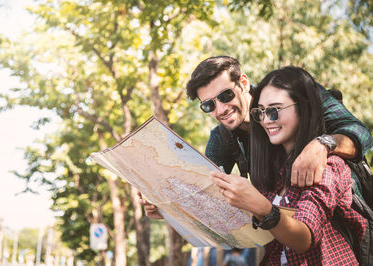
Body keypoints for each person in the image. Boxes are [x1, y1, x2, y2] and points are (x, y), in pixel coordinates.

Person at [141, 55, 372, 217]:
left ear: (243, 82)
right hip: (285, 235)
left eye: (225, 95)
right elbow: (206, 191)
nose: (220, 109)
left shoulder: (291, 90)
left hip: (344, 222)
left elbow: (360, 132)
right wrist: (167, 207)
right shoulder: (222, 138)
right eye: (209, 105)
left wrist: (323, 144)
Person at [211, 66, 367, 264]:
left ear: (303, 108)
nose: (267, 120)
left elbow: (304, 238)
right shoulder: (269, 171)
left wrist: (263, 209)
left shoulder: (327, 165)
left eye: (274, 111)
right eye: (261, 112)